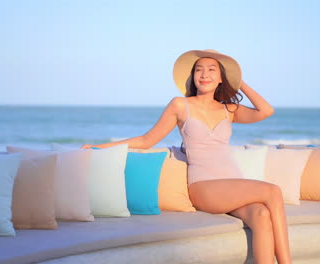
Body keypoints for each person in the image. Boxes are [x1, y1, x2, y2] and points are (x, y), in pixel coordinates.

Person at [82, 49, 292, 264]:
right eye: (199, 70)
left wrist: (239, 81)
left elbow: (266, 111)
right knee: (273, 191)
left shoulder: (228, 109)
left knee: (261, 216)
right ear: (193, 77)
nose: (204, 74)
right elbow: (146, 140)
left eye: (212, 70)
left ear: (221, 78)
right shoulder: (180, 105)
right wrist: (98, 147)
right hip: (205, 187)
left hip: (232, 188)